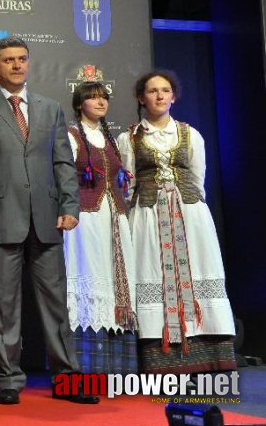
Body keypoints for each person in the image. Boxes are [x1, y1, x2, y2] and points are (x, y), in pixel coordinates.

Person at [0, 36, 98, 405]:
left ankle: (66, 379)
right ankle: (8, 379)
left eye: (22, 59)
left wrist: (70, 205)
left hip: (47, 219)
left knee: (56, 304)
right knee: (4, 306)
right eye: (8, 60)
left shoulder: (49, 107)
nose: (17, 65)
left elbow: (62, 163)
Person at [116, 71, 236, 374]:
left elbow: (198, 177)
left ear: (173, 96)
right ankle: (163, 357)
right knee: (153, 271)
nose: (159, 96)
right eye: (153, 91)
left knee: (196, 271)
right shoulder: (128, 138)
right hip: (148, 213)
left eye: (165, 90)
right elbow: (127, 186)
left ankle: (208, 353)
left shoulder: (190, 134)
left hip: (189, 214)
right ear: (141, 98)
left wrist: (186, 205)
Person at [64, 82, 137, 374]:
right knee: (89, 273)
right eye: (92, 97)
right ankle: (84, 365)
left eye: (103, 97)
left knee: (116, 277)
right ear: (79, 104)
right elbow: (64, 179)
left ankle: (117, 367)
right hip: (86, 218)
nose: (100, 101)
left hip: (114, 217)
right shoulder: (71, 137)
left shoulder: (112, 139)